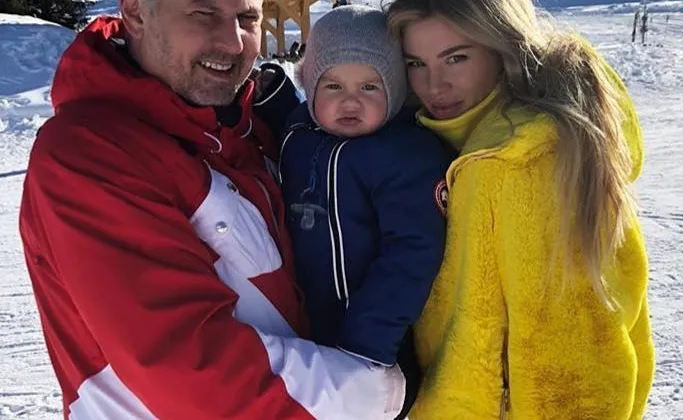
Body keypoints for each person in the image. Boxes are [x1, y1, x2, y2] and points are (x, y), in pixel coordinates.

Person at [18, 0, 407, 418]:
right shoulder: (89, 155)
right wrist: (380, 393)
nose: (233, 42)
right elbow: (194, 372)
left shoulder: (252, 125)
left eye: (247, 18)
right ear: (135, 13)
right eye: (203, 14)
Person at [385, 0, 655, 418]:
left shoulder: (521, 161)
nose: (434, 85)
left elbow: (570, 356)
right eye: (415, 63)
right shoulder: (448, 145)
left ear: (502, 48)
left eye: (456, 58)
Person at [262, 5, 450, 418]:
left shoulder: (406, 156)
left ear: (395, 89)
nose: (350, 101)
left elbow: (411, 253)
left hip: (373, 348)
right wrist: (272, 98)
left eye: (369, 87)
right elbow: (287, 119)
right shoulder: (302, 129)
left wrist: (366, 344)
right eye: (333, 85)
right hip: (304, 331)